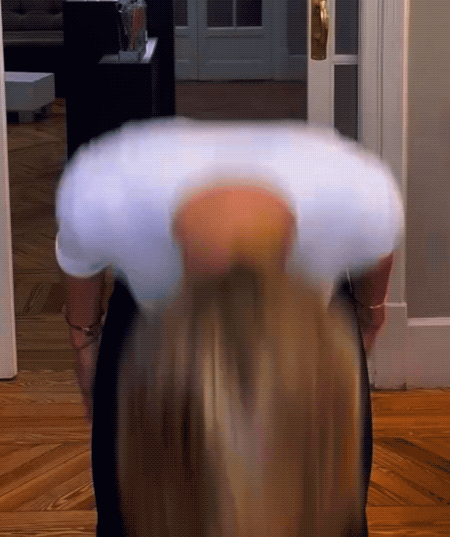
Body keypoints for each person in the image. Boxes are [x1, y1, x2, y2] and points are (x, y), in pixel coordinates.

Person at [55, 118, 404, 537]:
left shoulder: (360, 198)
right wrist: (86, 345)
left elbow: (81, 275)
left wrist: (85, 345)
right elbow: (82, 273)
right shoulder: (102, 194)